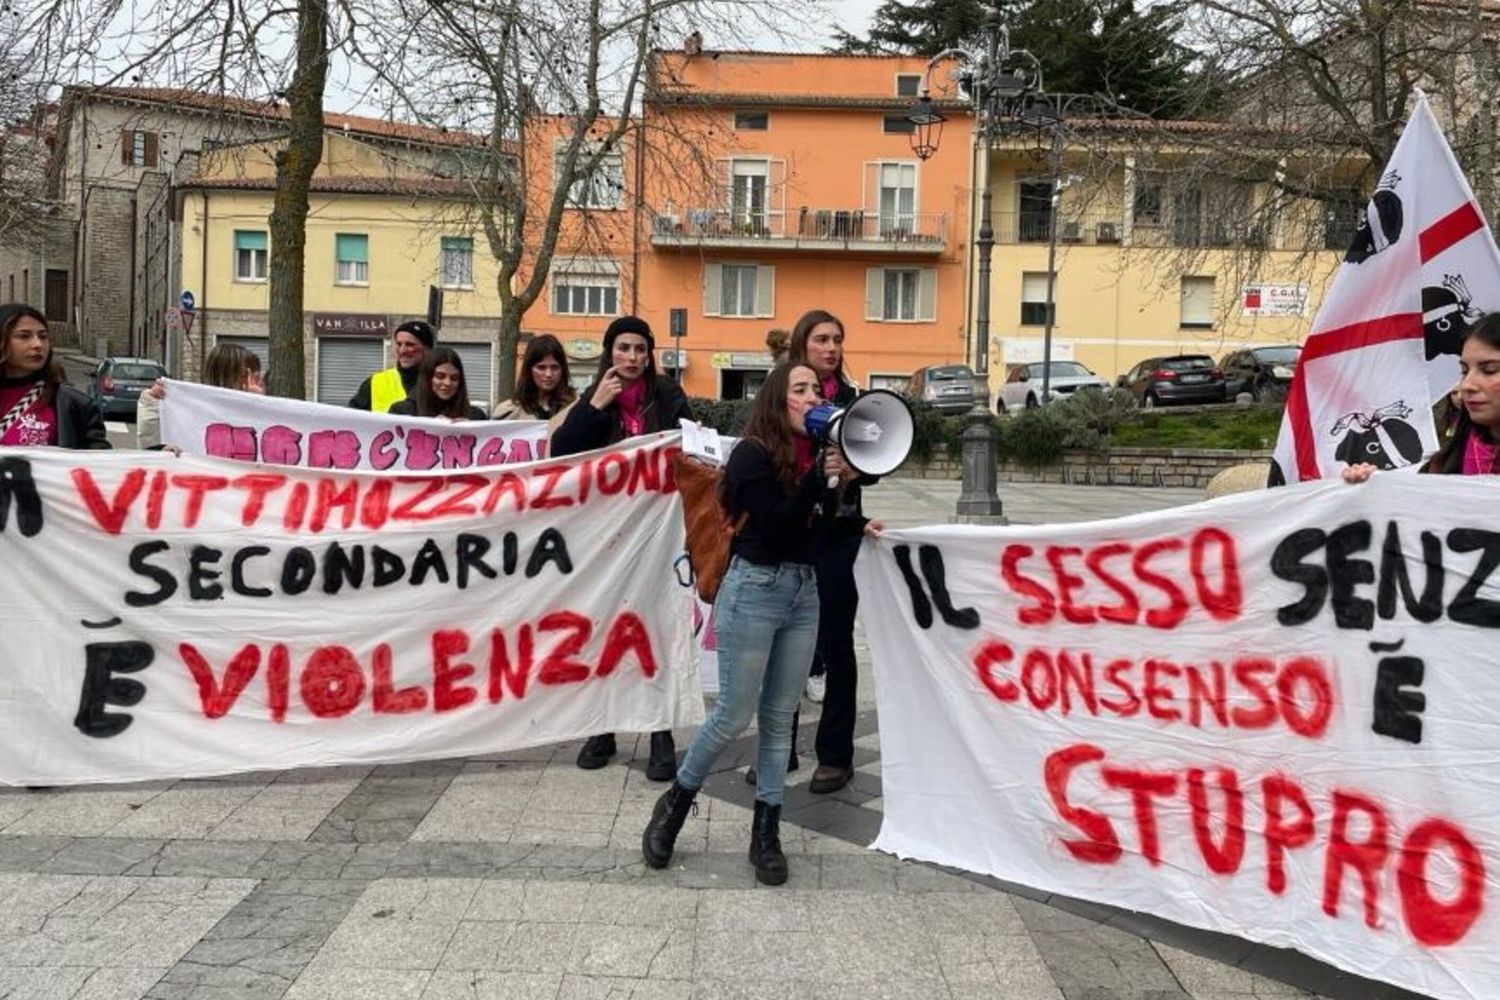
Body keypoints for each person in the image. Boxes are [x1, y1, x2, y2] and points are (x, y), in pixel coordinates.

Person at [641, 361, 880, 884]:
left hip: (804, 594)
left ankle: (766, 830)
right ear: (776, 399)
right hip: (754, 590)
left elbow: (817, 536)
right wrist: (818, 480)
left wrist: (851, 509)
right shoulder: (752, 455)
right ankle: (676, 802)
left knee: (779, 719)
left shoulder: (821, 459)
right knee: (732, 714)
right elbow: (775, 528)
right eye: (800, 390)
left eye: (816, 390)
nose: (813, 398)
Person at [551, 315, 692, 780]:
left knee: (657, 629)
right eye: (623, 348)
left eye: (639, 349)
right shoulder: (596, 395)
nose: (631, 358)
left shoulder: (668, 395)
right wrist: (596, 406)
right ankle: (603, 727)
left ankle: (659, 732)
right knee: (606, 627)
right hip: (606, 537)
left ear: (649, 355)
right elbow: (563, 453)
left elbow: (690, 447)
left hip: (658, 534)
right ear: (609, 352)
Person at [789, 308, 874, 794]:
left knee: (837, 645)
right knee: (786, 645)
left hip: (840, 532)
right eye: (822, 339)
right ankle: (778, 747)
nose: (831, 348)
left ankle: (836, 756)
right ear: (803, 345)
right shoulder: (784, 395)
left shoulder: (853, 400)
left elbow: (878, 462)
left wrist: (859, 469)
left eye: (837, 339)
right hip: (794, 532)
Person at [1345, 314, 1500, 481]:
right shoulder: (1443, 465)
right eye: (1464, 371)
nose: (1467, 385)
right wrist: (1371, 485)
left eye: (1490, 370)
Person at [0, 303, 108, 450]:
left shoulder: (76, 406)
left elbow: (99, 461)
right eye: (24, 336)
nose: (38, 344)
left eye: (43, 336)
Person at [137, 342, 265, 448]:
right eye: (251, 378)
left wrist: (259, 403)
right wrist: (153, 403)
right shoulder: (192, 411)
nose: (258, 384)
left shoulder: (261, 408)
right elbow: (150, 446)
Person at [348, 320, 435, 412]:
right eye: (399, 344)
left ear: (428, 349)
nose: (402, 351)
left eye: (410, 345)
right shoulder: (375, 382)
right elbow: (352, 417)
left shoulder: (441, 383)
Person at [389, 347, 487, 421]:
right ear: (427, 378)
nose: (448, 383)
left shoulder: (476, 417)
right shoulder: (401, 412)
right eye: (440, 376)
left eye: (454, 378)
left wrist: (472, 430)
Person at [494, 334, 576, 420]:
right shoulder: (510, 412)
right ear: (529, 370)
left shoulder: (576, 408)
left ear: (562, 370)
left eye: (555, 367)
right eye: (541, 367)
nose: (548, 374)